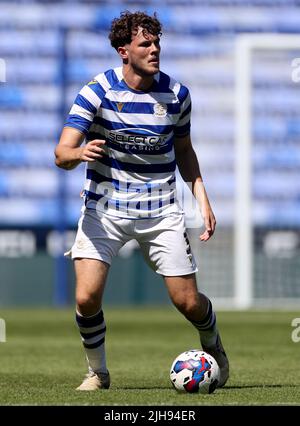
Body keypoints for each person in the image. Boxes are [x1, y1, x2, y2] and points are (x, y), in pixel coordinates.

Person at [55, 11, 229, 391]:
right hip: (104, 208)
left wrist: (202, 197)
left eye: (157, 43)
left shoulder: (177, 95)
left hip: (161, 211)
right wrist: (79, 153)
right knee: (86, 297)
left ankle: (212, 341)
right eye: (145, 44)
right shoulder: (96, 92)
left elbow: (184, 151)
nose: (155, 50)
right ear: (123, 51)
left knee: (188, 303)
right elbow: (61, 153)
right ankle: (98, 373)